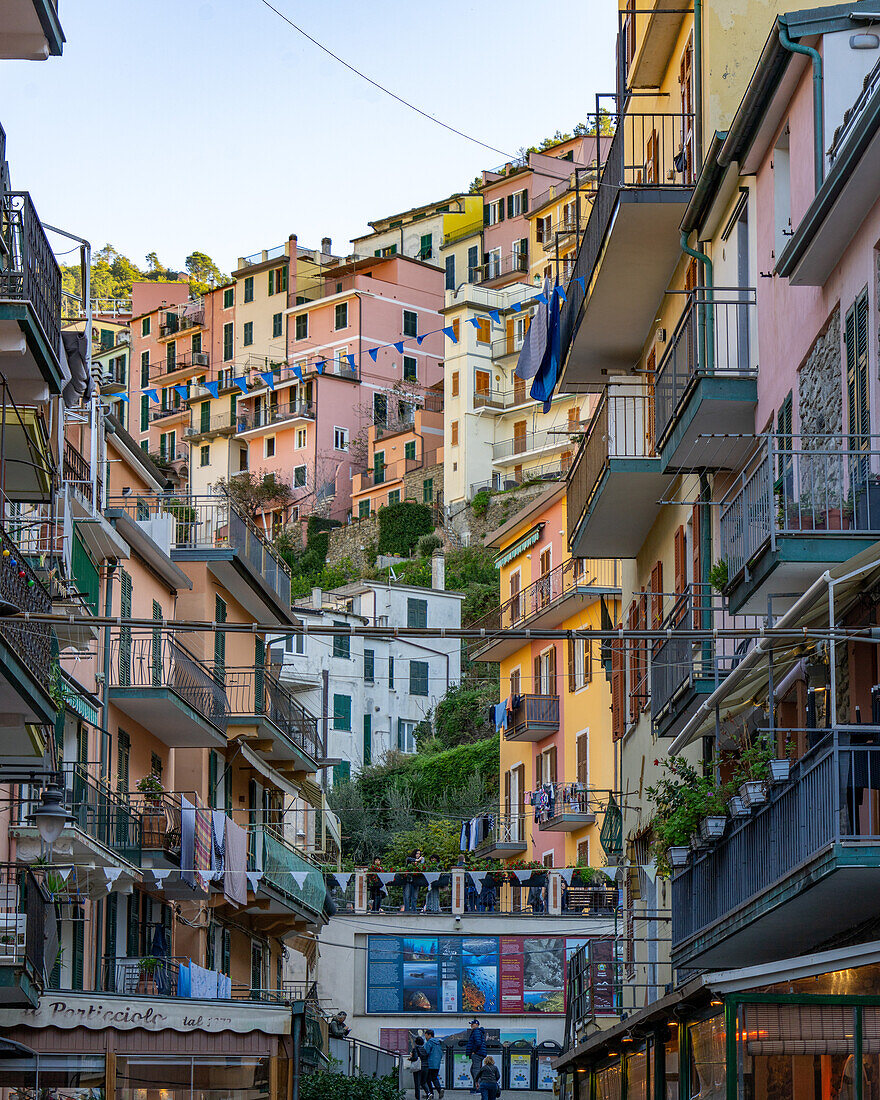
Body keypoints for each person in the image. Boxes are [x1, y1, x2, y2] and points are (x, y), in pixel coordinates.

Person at [465, 1018, 487, 1093]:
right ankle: (477, 1086)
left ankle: (479, 1088)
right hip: (479, 1053)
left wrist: (473, 1051)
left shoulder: (476, 1031)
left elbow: (478, 1042)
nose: (471, 1025)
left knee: (475, 1071)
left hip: (477, 1054)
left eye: (472, 1024)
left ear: (477, 1025)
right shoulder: (478, 1031)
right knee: (474, 1070)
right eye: (471, 1024)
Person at [422, 1029, 444, 1098]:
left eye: (426, 1036)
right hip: (436, 1064)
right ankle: (439, 1090)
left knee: (428, 1079)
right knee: (434, 1078)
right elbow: (441, 1053)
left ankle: (430, 1094)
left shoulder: (429, 1043)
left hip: (430, 1063)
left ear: (429, 1035)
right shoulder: (438, 1043)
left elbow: (425, 1052)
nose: (425, 1038)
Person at [409, 1034, 430, 1100]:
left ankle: (417, 1098)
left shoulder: (415, 1049)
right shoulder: (424, 1049)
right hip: (426, 1067)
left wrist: (410, 1058)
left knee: (417, 1084)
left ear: (416, 1042)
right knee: (423, 1082)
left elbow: (415, 1058)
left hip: (418, 1067)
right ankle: (429, 1093)